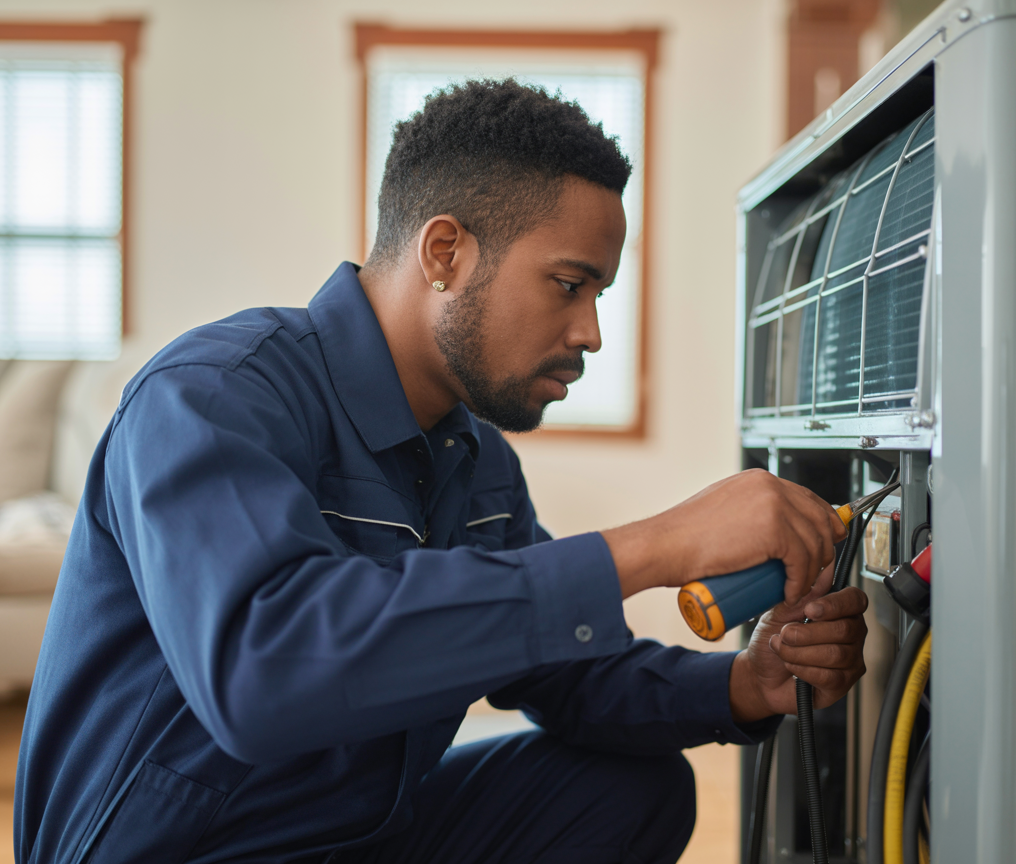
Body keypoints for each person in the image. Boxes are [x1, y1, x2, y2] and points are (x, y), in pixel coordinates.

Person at [14, 79, 868, 864]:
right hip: (184, 850)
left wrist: (745, 685)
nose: (592, 333)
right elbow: (260, 670)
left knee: (628, 789)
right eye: (569, 285)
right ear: (446, 253)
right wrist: (652, 547)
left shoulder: (474, 458)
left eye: (600, 293)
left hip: (353, 837)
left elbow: (558, 670)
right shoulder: (213, 396)